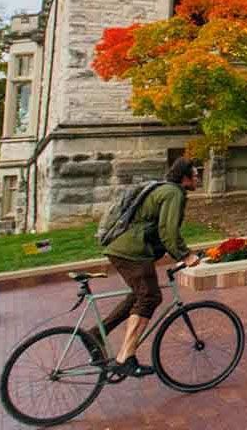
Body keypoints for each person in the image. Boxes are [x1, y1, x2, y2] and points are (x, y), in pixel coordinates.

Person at [89, 157, 201, 378]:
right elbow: (168, 231)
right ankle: (125, 358)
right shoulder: (174, 193)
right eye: (196, 175)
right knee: (150, 297)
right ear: (185, 178)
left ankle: (96, 334)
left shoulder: (165, 189)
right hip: (132, 251)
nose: (199, 179)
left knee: (139, 295)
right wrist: (185, 255)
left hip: (123, 248)